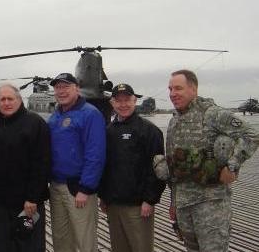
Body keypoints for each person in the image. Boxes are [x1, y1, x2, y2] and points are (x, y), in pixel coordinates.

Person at [166, 69, 259, 252]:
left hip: (210, 205)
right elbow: (173, 167)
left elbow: (252, 135)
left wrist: (232, 165)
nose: (172, 94)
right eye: (170, 89)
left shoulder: (212, 114)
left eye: (178, 88)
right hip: (184, 205)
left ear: (193, 89)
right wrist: (173, 202)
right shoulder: (174, 121)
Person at [98, 83, 166, 252]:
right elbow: (106, 167)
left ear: (134, 100)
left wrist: (150, 200)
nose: (123, 104)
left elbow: (158, 170)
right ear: (112, 103)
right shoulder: (109, 131)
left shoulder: (149, 131)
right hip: (114, 205)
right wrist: (104, 197)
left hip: (138, 206)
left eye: (127, 99)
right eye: (118, 101)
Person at [0, 83, 51, 252]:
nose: (7, 103)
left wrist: (33, 197)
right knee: (4, 246)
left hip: (27, 204)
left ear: (19, 100)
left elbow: (42, 163)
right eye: (2, 99)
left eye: (10, 99)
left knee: (30, 246)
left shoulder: (35, 123)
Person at [48, 73, 106, 252]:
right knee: (61, 239)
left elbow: (95, 154)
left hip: (78, 189)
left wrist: (86, 188)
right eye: (58, 87)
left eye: (66, 86)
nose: (61, 91)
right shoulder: (55, 116)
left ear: (77, 88)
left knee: (85, 239)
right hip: (56, 186)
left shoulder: (90, 114)